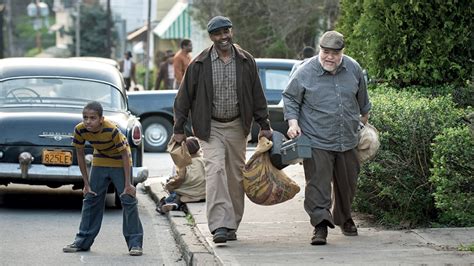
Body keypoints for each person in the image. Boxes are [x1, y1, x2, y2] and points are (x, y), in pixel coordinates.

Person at [173, 15, 273, 244]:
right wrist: (178, 128)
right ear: (211, 37)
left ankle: (232, 223)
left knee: (236, 176)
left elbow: (257, 95)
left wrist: (264, 124)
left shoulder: (246, 61)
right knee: (215, 170)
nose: (223, 37)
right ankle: (220, 225)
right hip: (210, 127)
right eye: (218, 34)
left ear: (231, 31)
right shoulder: (199, 64)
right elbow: (183, 98)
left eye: (226, 32)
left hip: (238, 125)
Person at [282, 30, 371, 245]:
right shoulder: (305, 71)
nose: (329, 57)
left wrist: (364, 124)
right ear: (320, 50)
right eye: (325, 52)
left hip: (347, 138)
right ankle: (320, 225)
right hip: (317, 138)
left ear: (342, 52)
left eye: (334, 53)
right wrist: (293, 123)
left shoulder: (353, 68)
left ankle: (344, 217)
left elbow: (363, 102)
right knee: (318, 184)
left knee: (348, 183)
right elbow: (290, 98)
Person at [63, 101, 144, 256]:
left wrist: (128, 184)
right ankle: (82, 241)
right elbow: (79, 155)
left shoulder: (111, 130)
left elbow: (125, 154)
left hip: (121, 162)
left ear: (101, 119)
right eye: (85, 117)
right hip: (100, 159)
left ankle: (135, 244)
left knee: (128, 200)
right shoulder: (80, 130)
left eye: (92, 118)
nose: (88, 121)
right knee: (90, 198)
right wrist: (86, 184)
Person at [156, 137, 206, 214]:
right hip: (204, 193)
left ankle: (166, 204)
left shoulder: (184, 163)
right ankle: (176, 206)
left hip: (188, 192)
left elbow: (180, 178)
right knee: (181, 197)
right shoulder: (204, 160)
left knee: (175, 193)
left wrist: (170, 185)